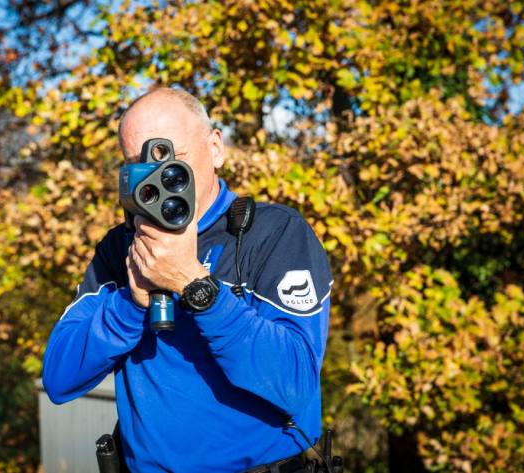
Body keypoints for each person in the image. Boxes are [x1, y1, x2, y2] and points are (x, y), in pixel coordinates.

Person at [42, 87, 333, 473]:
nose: (159, 179)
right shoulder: (119, 250)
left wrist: (197, 288)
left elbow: (295, 383)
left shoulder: (273, 233)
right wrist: (131, 302)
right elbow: (60, 379)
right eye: (139, 164)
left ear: (215, 148)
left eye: (173, 160)